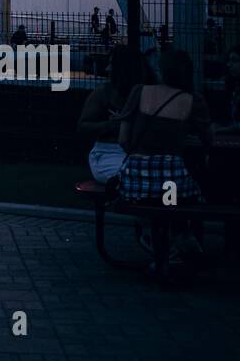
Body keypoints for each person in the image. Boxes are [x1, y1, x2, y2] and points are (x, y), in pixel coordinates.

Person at [116, 48, 212, 264]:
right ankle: (182, 237)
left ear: (161, 69)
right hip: (172, 182)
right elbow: (209, 140)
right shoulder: (192, 100)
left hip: (138, 183)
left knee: (153, 201)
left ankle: (160, 241)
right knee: (182, 196)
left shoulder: (139, 92)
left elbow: (123, 140)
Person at [77, 44, 145, 183]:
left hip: (141, 151)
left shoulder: (147, 91)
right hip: (110, 151)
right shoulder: (103, 92)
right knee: (129, 179)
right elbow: (83, 127)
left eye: (111, 64)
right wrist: (110, 125)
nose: (108, 69)